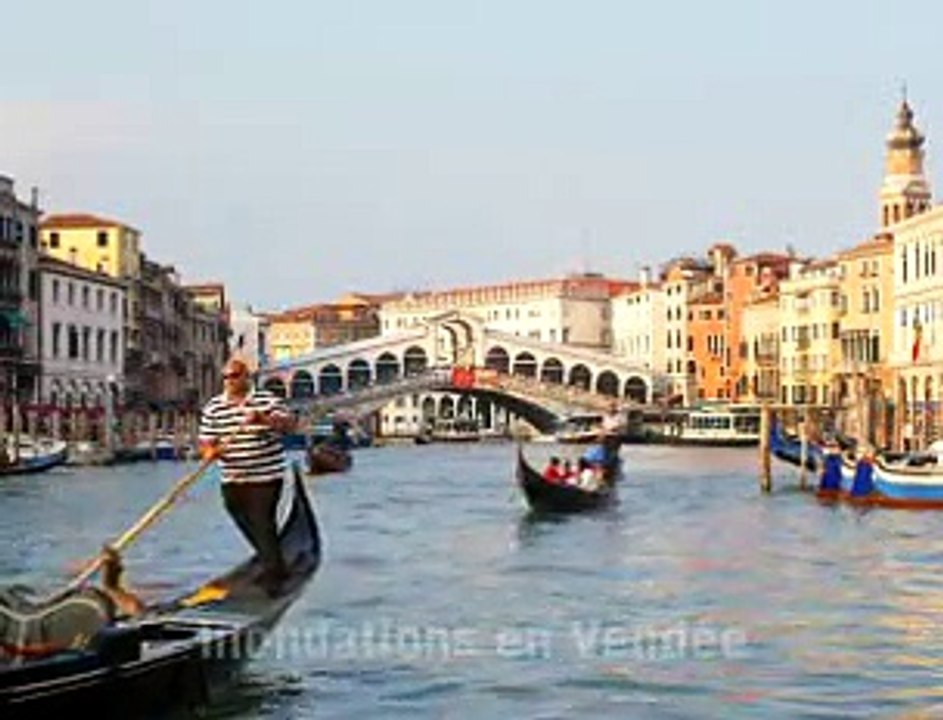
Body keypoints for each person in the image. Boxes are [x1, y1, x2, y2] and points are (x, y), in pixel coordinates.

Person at [199, 357, 297, 597]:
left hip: (266, 475)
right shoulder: (214, 407)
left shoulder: (266, 401)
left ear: (246, 377)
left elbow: (288, 426)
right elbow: (205, 442)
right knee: (242, 519)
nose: (229, 381)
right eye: (226, 377)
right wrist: (210, 452)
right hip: (233, 478)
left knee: (263, 522)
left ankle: (274, 576)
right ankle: (273, 561)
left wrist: (262, 419)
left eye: (234, 376)